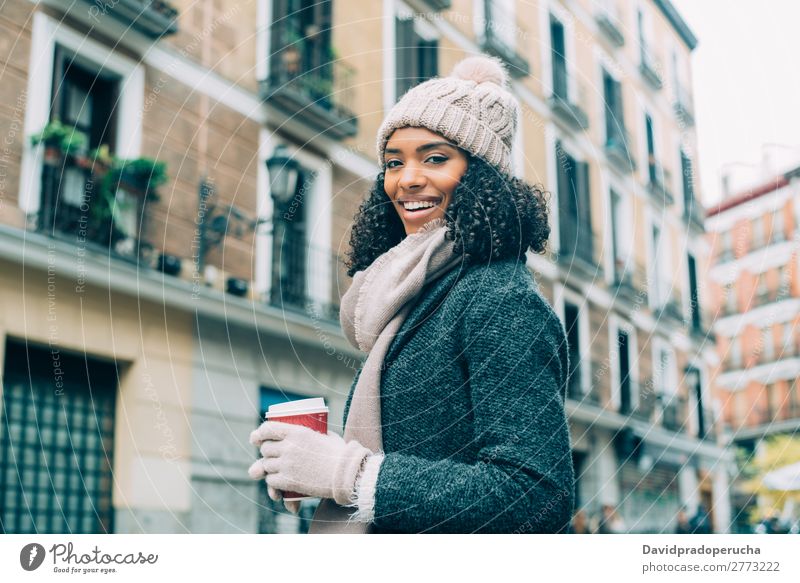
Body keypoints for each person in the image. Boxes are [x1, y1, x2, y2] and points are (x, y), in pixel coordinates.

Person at [248, 55, 574, 533]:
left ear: (480, 174)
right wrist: (313, 466)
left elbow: (537, 496)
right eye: (393, 162)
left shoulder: (500, 298)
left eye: (435, 158)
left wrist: (346, 473)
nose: (408, 178)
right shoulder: (417, 296)